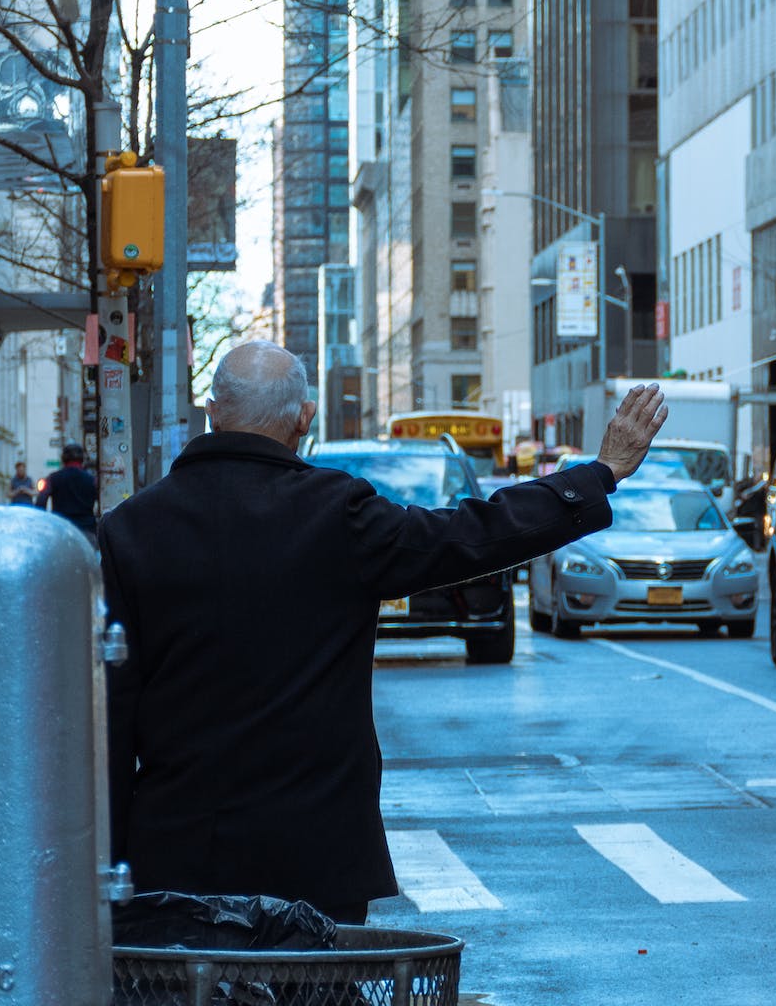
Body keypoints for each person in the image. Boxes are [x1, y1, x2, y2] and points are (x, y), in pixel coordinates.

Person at [101, 342, 667, 924]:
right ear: (304, 418)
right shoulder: (336, 513)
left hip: (173, 856)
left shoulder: (129, 531)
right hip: (316, 858)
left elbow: (110, 722)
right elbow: (476, 533)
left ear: (211, 412)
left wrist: (108, 869)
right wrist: (598, 475)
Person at [36, 443, 99, 543]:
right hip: (87, 531)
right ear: (82, 459)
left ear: (63, 458)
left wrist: (43, 524)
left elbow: (41, 501)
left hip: (61, 530)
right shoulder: (93, 480)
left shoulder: (52, 478)